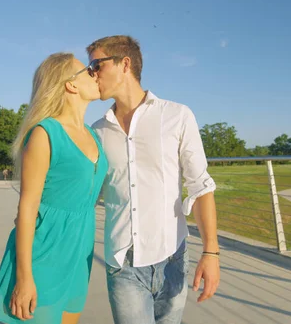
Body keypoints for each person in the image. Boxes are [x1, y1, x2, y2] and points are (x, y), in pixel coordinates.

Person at [88, 35, 221, 324]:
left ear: (125, 64)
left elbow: (200, 186)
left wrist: (211, 252)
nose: (92, 74)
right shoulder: (96, 132)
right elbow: (82, 193)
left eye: (96, 65)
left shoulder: (177, 115)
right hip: (123, 262)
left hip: (172, 256)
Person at [0, 52, 108, 324]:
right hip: (45, 251)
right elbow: (28, 207)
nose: (96, 73)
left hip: (81, 249)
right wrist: (24, 278)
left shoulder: (92, 134)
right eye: (89, 70)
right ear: (71, 84)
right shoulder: (45, 133)